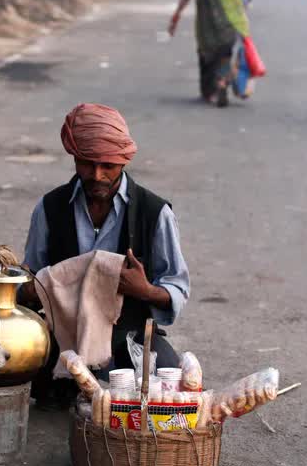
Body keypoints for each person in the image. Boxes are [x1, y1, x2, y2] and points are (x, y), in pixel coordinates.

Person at [22, 103, 190, 390]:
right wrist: (30, 289)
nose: (97, 175)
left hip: (128, 337)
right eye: (87, 163)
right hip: (65, 337)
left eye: (108, 166)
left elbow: (177, 287)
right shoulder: (50, 208)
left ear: (123, 162)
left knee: (169, 384)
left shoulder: (154, 212)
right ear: (74, 157)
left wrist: (145, 290)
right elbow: (32, 275)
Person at [169, 0, 251, 107]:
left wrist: (176, 16)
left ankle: (208, 93)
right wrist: (242, 22)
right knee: (224, 56)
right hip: (228, 23)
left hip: (205, 26)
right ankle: (222, 82)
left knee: (206, 57)